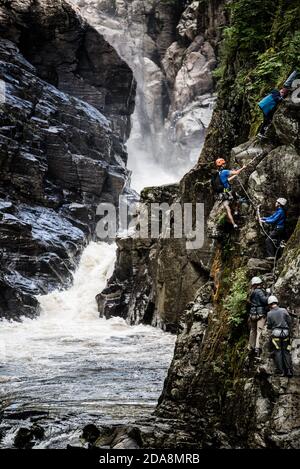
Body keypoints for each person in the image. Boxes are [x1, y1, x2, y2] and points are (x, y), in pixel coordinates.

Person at [212, 158, 246, 229]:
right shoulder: (224, 171)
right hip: (229, 192)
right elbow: (236, 172)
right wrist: (243, 168)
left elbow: (225, 181)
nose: (225, 164)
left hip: (221, 194)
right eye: (224, 163)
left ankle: (234, 224)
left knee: (228, 210)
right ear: (222, 165)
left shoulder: (218, 174)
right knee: (238, 199)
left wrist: (234, 176)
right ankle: (236, 211)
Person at [267, 295, 293, 378]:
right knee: (286, 351)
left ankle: (281, 371)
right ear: (276, 302)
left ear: (270, 304)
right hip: (285, 333)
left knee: (278, 352)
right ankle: (289, 371)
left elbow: (269, 325)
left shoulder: (269, 313)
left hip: (276, 333)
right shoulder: (284, 310)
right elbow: (289, 321)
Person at [248, 277, 269, 357]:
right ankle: (257, 348)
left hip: (252, 314)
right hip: (260, 314)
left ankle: (250, 347)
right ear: (258, 284)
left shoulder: (251, 292)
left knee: (252, 330)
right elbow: (264, 301)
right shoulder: (259, 291)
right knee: (259, 331)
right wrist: (268, 294)